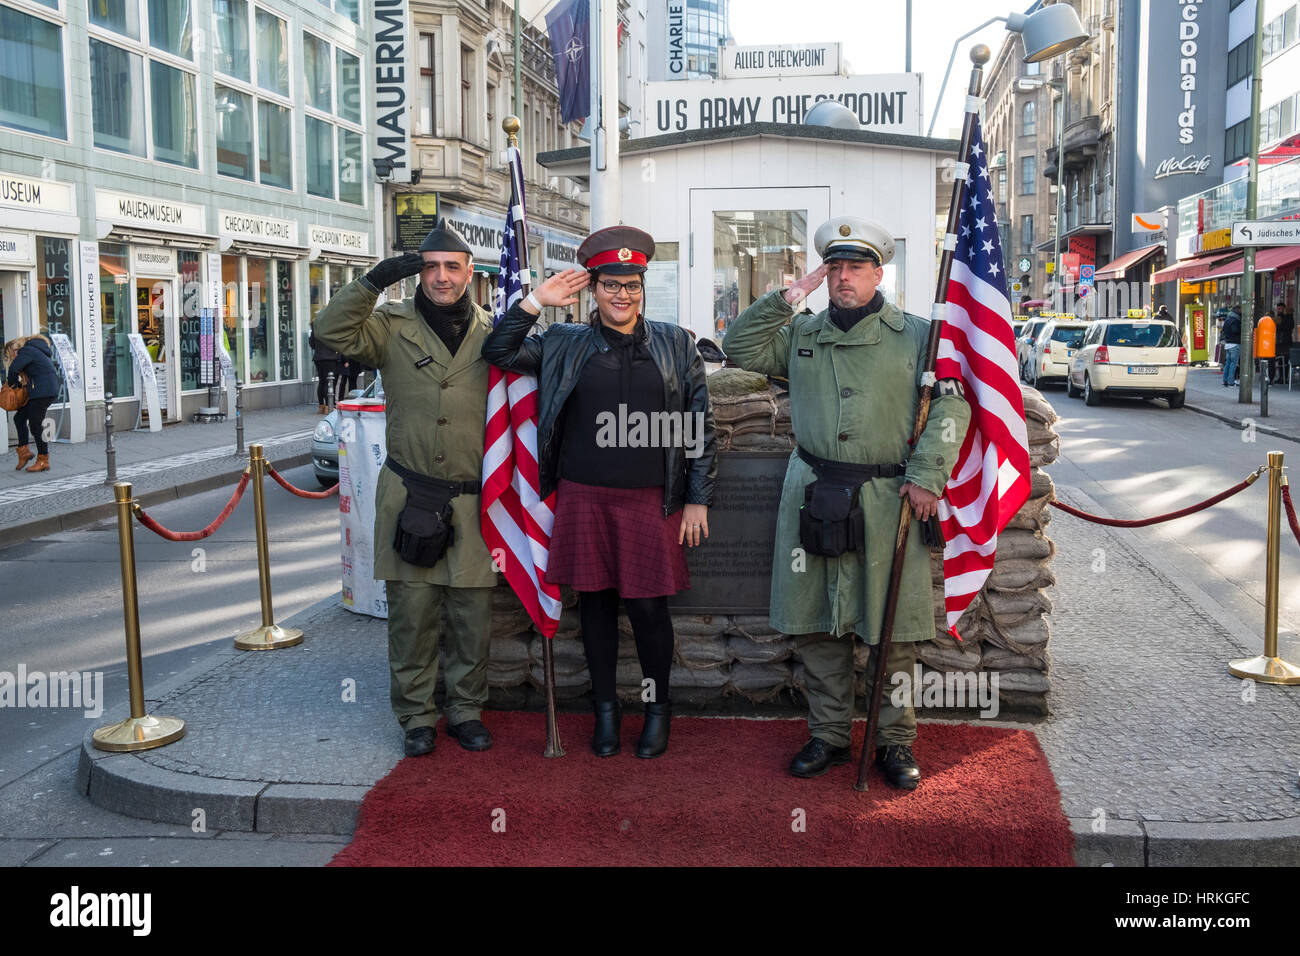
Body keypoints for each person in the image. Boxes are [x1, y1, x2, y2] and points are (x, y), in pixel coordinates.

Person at [721, 217, 970, 789]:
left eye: (855, 266)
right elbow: (740, 348)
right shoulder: (802, 334)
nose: (843, 277)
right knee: (818, 627)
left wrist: (929, 475)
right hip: (812, 494)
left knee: (892, 631)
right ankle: (829, 735)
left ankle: (896, 741)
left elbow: (954, 408)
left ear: (879, 272)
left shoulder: (917, 335)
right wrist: (792, 294)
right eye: (834, 267)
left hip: (886, 499)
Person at [482, 226, 717, 759]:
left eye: (631, 285)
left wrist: (697, 497)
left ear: (643, 287)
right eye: (611, 285)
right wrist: (536, 302)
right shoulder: (564, 342)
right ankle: (605, 712)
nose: (622, 295)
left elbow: (699, 425)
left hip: (649, 500)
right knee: (595, 611)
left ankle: (658, 712)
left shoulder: (676, 343)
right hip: (584, 495)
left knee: (649, 611)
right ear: (593, 290)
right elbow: (496, 351)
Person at [312, 219, 496, 758]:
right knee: (412, 618)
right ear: (418, 272)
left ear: (470, 274)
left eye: (452, 267)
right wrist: (370, 283)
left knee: (471, 618)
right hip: (411, 492)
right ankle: (416, 716)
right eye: (431, 267)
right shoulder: (390, 325)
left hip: (473, 500)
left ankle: (465, 709)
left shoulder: (494, 331)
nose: (441, 277)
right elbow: (331, 332)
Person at [4, 335, 60, 473]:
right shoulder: (34, 350)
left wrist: (13, 386)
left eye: (12, 354)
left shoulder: (26, 350)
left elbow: (13, 370)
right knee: (19, 418)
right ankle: (24, 453)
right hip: (41, 390)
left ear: (15, 349)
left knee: (35, 424)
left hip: (43, 391)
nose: (14, 357)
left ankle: (43, 460)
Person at [308, 323, 340, 414]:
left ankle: (321, 406)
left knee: (322, 381)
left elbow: (311, 343)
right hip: (330, 357)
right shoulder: (331, 326)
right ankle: (328, 406)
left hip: (318, 358)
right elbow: (336, 342)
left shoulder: (316, 327)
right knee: (329, 381)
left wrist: (318, 349)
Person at [1221, 306, 1242, 387]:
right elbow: (1235, 330)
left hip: (1228, 344)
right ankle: (1231, 381)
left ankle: (1225, 380)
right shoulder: (1235, 320)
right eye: (1240, 310)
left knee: (1228, 363)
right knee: (1233, 363)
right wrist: (1241, 329)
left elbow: (1223, 330)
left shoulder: (1227, 319)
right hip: (1234, 344)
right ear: (1237, 311)